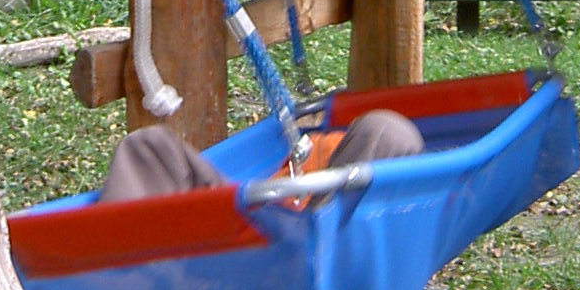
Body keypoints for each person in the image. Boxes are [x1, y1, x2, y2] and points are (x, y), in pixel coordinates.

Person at [98, 108, 425, 202]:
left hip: (306, 253)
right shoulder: (317, 147)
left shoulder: (377, 141)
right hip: (242, 231)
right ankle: (113, 265)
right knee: (151, 145)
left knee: (389, 130)